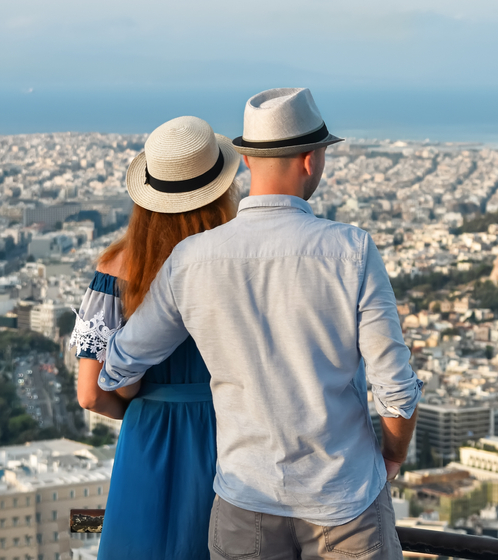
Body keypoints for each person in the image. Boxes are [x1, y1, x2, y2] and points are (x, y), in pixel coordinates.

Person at [99, 87, 422, 560]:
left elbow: (120, 364)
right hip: (343, 499)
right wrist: (391, 456)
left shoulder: (192, 259)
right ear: (311, 160)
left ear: (247, 162)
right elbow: (395, 388)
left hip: (244, 500)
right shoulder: (350, 250)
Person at [72, 115, 241, 560]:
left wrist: (144, 408)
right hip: (230, 434)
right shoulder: (239, 262)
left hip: (147, 434)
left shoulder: (116, 269)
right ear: (220, 190)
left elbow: (90, 395)